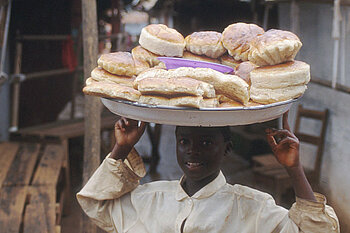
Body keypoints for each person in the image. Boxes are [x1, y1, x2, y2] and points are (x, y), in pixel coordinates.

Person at [77, 112, 339, 233]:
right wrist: (121, 148)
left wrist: (294, 169)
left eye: (206, 143)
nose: (193, 151)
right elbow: (95, 203)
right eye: (184, 142)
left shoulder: (252, 208)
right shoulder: (150, 199)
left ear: (227, 149)